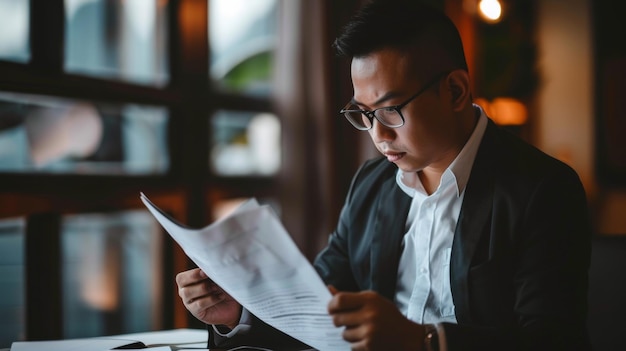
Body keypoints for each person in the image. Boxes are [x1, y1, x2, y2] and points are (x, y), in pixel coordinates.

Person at [175, 0, 592, 350]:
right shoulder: (371, 184)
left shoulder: (543, 189)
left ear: (456, 91)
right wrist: (237, 314)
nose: (378, 134)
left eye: (391, 109)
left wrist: (425, 341)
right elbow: (317, 308)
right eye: (364, 113)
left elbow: (552, 339)